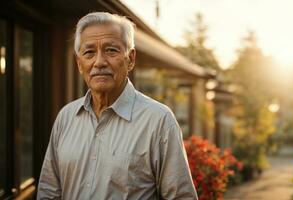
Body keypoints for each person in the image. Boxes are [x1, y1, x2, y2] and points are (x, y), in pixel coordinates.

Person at [37, 12, 197, 200]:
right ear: (79, 63)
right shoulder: (66, 117)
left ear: (130, 58)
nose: (99, 62)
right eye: (89, 52)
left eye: (111, 50)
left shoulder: (158, 120)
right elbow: (49, 191)